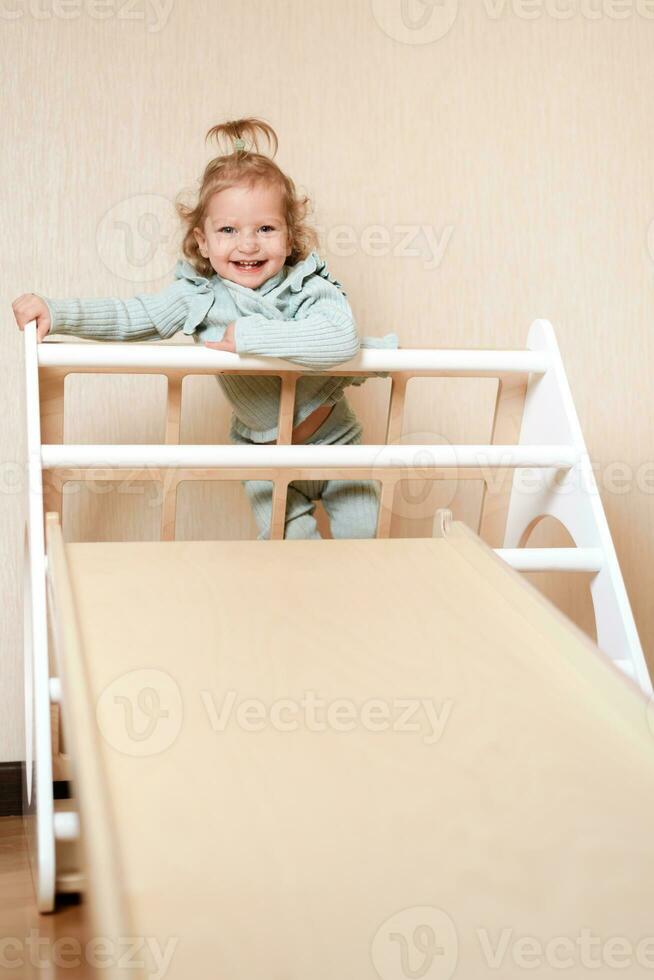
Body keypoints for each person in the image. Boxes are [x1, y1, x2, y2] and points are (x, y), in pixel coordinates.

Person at [12, 117, 399, 540]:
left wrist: (250, 337)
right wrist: (58, 312)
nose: (248, 244)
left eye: (266, 229)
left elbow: (340, 336)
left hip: (336, 439)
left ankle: (362, 604)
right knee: (290, 553)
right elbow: (132, 315)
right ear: (202, 241)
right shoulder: (198, 296)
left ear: (289, 239)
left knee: (366, 539)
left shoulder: (306, 284)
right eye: (228, 230)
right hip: (263, 457)